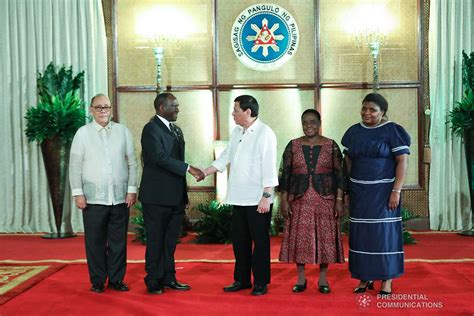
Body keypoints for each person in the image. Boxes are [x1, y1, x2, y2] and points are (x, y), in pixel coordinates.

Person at [201, 95, 278, 296]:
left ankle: (261, 282)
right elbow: (226, 156)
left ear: (248, 112)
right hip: (238, 197)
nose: (233, 114)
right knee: (240, 241)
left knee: (260, 243)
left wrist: (266, 197)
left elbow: (270, 166)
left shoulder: (265, 133)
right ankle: (241, 280)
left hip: (257, 199)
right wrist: (205, 171)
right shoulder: (237, 131)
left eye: (235, 110)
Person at [341, 93, 410, 295]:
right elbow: (348, 162)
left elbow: (402, 161)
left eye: (372, 109)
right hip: (359, 192)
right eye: (364, 108)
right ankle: (365, 277)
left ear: (383, 112)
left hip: (384, 192)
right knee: (361, 235)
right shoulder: (354, 132)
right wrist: (347, 189)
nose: (367, 113)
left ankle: (386, 280)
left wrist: (396, 190)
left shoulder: (392, 130)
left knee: (383, 235)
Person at [69, 93, 138, 293]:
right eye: (98, 107)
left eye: (106, 107)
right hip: (92, 198)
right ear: (91, 110)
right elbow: (75, 166)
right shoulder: (82, 133)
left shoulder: (123, 131)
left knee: (118, 243)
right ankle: (97, 281)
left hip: (119, 198)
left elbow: (132, 163)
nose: (103, 111)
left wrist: (131, 189)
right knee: (95, 242)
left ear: (111, 109)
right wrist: (78, 193)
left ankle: (116, 280)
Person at [139, 92, 204, 294]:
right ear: (161, 108)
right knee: (156, 240)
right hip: (156, 198)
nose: (178, 109)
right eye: (174, 105)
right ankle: (153, 281)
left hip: (175, 197)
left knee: (170, 242)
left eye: (177, 105)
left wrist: (183, 195)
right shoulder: (150, 129)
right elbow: (159, 157)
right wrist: (189, 168)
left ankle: (169, 278)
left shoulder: (176, 130)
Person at [278, 109, 345, 294]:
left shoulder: (331, 145)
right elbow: (285, 175)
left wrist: (339, 200)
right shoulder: (292, 145)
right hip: (299, 200)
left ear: (320, 122)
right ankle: (301, 279)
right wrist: (284, 200)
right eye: (305, 122)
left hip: (326, 199)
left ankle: (323, 279)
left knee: (325, 239)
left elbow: (341, 175)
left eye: (313, 122)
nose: (309, 125)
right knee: (300, 240)